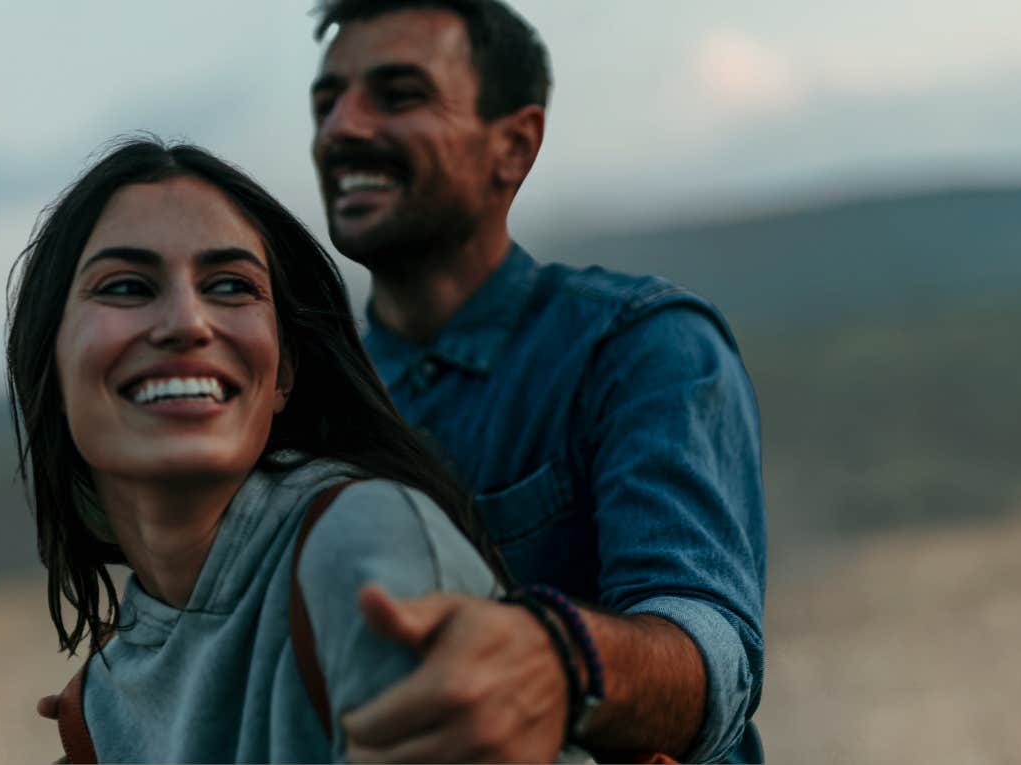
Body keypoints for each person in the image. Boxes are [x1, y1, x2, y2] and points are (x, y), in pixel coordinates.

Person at [307, 1, 766, 762]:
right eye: (327, 103)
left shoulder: (637, 346)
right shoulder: (309, 401)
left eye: (398, 95)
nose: (342, 129)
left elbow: (710, 653)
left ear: (513, 146)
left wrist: (559, 661)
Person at [9, 137, 536, 763]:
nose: (187, 322)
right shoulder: (105, 703)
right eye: (126, 287)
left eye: (231, 286)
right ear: (54, 367)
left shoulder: (362, 545)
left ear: (283, 371)